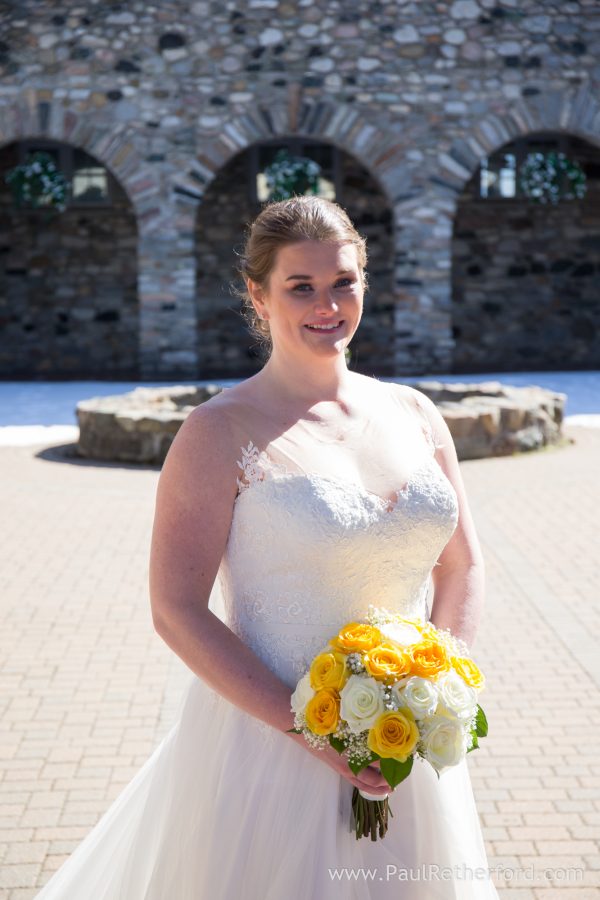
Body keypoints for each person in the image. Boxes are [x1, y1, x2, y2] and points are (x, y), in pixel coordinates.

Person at [35, 195, 499, 898]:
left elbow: (463, 564)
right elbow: (176, 609)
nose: (329, 305)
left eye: (344, 282)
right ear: (258, 295)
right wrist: (313, 734)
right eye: (301, 286)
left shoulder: (415, 413)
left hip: (405, 751)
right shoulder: (217, 432)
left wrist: (437, 690)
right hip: (269, 752)